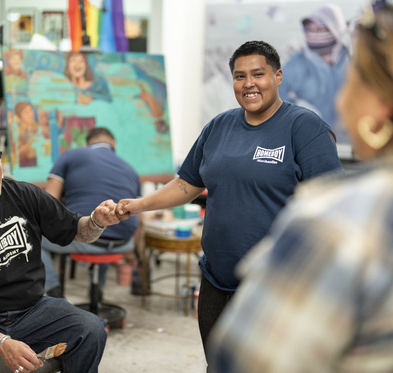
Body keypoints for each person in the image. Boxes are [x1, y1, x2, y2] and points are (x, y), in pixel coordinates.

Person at [208, 2, 393, 372]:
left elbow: (246, 361)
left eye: (351, 79)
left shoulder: (339, 223)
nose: (340, 101)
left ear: (380, 105)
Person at [116, 40, 343, 368]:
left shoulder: (304, 128)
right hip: (216, 281)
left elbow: (331, 204)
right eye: (239, 76)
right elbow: (186, 184)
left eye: (258, 74)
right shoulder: (218, 127)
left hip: (274, 288)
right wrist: (138, 205)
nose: (248, 83)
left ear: (278, 76)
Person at [0, 128, 120, 373]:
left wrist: (97, 221)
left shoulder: (25, 195)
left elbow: (75, 230)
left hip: (33, 309)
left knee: (91, 329)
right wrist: (1, 343)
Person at [41, 127, 142, 298]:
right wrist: (131, 251)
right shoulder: (131, 169)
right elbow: (141, 220)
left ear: (87, 143)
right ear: (113, 144)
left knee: (31, 237)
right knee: (104, 222)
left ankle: (52, 289)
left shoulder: (72, 155)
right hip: (124, 243)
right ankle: (98, 289)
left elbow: (45, 204)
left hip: (88, 238)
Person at [279, 3, 352, 145]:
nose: (313, 34)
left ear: (335, 29)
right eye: (309, 29)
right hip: (314, 144)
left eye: (319, 29)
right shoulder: (299, 63)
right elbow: (273, 90)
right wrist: (299, 110)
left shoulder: (353, 60)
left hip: (353, 144)